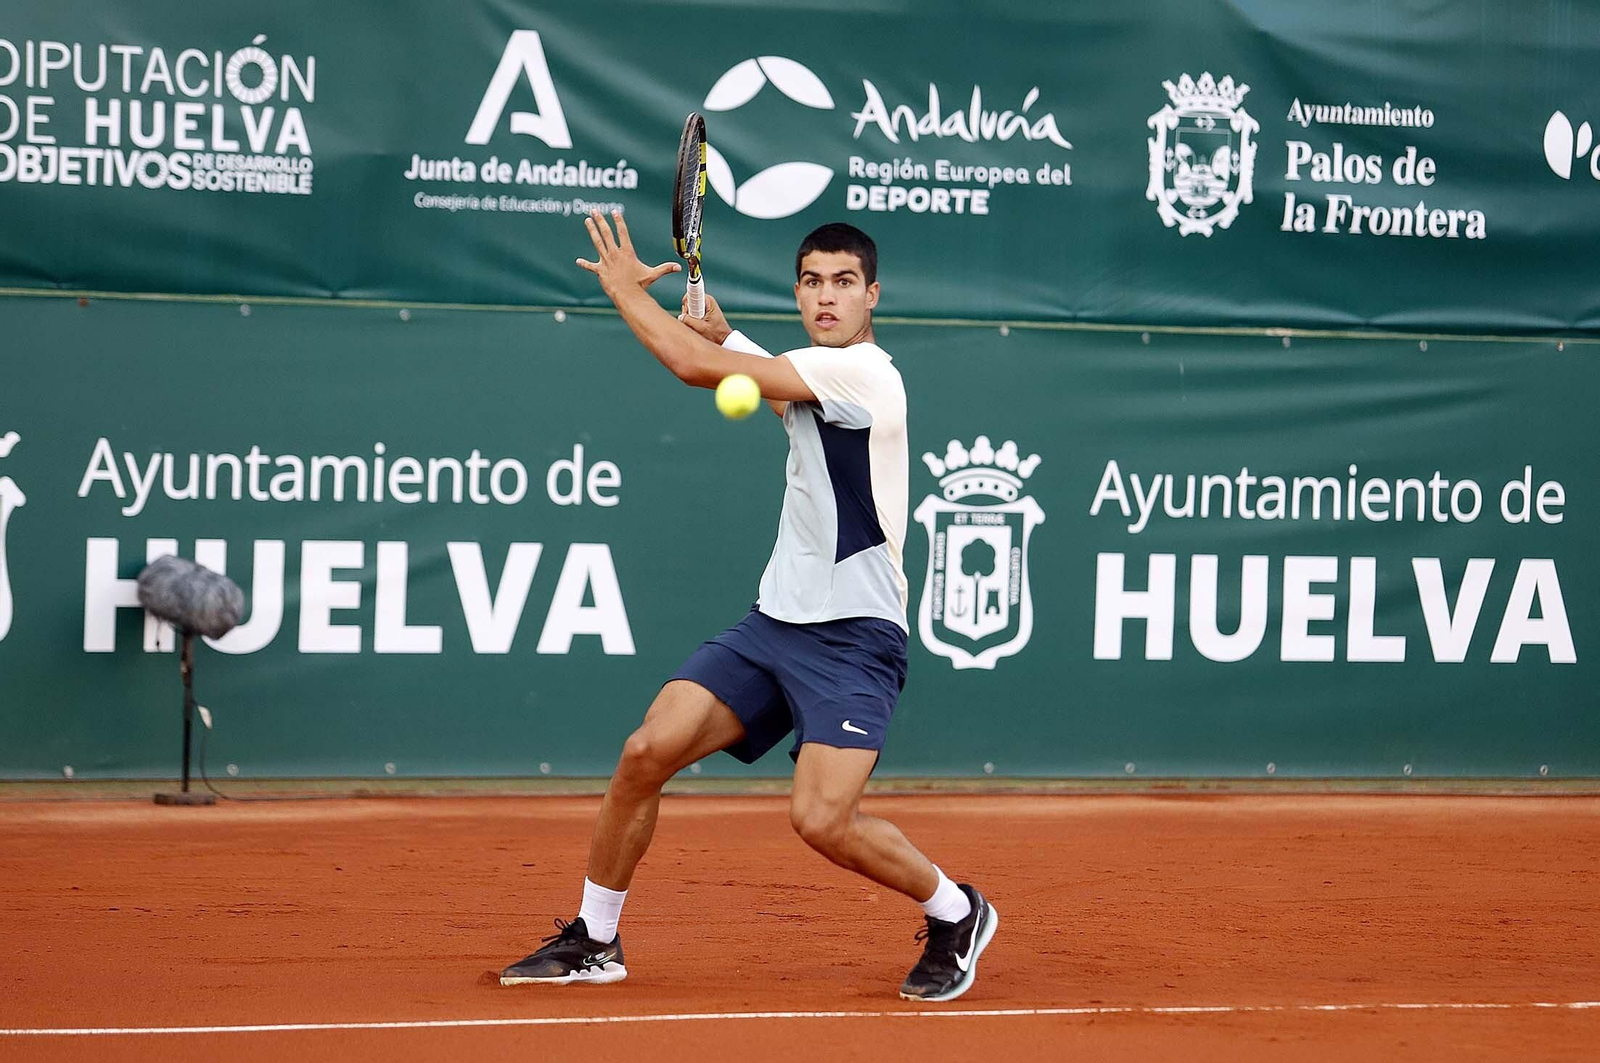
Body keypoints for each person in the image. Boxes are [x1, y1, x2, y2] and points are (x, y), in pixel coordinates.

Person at [499, 211, 997, 1002]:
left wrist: (627, 292)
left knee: (822, 820)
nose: (826, 296)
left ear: (872, 295)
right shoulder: (817, 378)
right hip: (774, 625)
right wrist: (729, 335)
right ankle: (595, 936)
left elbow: (690, 366)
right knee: (646, 751)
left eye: (844, 283)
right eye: (811, 282)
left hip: (855, 638)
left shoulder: (868, 374)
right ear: (797, 293)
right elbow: (779, 395)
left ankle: (956, 909)